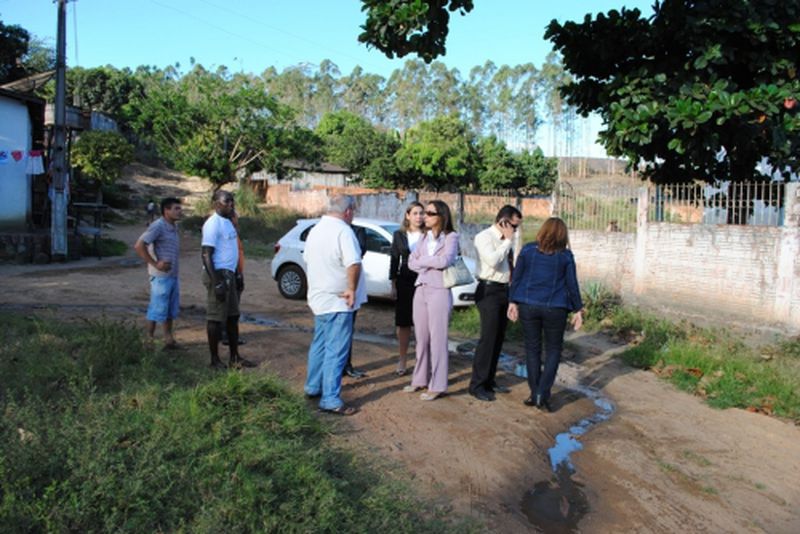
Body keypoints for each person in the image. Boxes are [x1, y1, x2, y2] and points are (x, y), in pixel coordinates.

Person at [507, 217, 584, 412]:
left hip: (528, 305)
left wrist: (512, 301)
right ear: (563, 235)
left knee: (532, 349)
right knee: (553, 351)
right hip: (555, 308)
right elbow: (572, 285)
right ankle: (542, 393)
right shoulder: (566, 256)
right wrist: (578, 309)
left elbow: (517, 277)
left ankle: (535, 394)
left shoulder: (527, 250)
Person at [303, 195, 363, 416]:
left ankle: (313, 386)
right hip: (338, 300)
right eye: (353, 211)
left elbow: (308, 260)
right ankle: (330, 398)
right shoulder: (343, 231)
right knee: (336, 350)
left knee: (320, 344)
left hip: (320, 298)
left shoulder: (316, 230)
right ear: (347, 211)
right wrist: (351, 289)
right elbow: (353, 263)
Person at [404, 200, 459, 401]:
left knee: (438, 340)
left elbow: (445, 260)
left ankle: (438, 385)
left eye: (429, 213)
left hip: (439, 290)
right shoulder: (424, 237)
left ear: (441, 217)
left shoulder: (451, 237)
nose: (424, 216)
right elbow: (411, 262)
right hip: (421, 289)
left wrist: (423, 262)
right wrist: (427, 263)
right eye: (424, 212)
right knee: (421, 339)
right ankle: (419, 380)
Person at [468, 205, 523, 402]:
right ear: (503, 222)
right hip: (488, 290)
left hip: (504, 291)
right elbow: (492, 261)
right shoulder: (484, 237)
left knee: (499, 338)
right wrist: (508, 240)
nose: (515, 231)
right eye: (513, 226)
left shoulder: (506, 241)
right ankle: (477, 385)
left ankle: (489, 380)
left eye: (516, 228)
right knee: (488, 339)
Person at [201, 191, 255, 370]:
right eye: (227, 202)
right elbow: (206, 254)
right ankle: (214, 359)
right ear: (217, 203)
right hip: (218, 274)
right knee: (215, 318)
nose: (231, 204)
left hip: (230, 273)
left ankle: (235, 357)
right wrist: (216, 281)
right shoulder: (212, 224)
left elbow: (232, 250)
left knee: (233, 316)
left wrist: (238, 274)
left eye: (232, 201)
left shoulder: (229, 223)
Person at [134, 197, 183, 348]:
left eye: (179, 208)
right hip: (160, 276)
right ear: (166, 210)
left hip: (172, 275)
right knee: (157, 307)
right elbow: (139, 246)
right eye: (176, 208)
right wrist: (155, 263)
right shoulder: (158, 226)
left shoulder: (173, 227)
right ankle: (148, 339)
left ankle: (168, 339)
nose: (180, 211)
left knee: (169, 308)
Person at [389, 201, 425, 376]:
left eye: (421, 213)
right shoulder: (399, 235)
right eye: (415, 213)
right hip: (404, 281)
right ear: (408, 215)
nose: (419, 216)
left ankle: (421, 360)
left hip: (425, 280)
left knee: (422, 323)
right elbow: (394, 259)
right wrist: (393, 284)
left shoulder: (429, 234)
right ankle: (402, 358)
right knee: (404, 322)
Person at [342, 224, 368, 379]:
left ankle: (346, 365)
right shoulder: (325, 230)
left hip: (350, 287)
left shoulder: (357, 230)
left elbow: (359, 252)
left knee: (347, 328)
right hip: (331, 288)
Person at [221, 208, 246, 346]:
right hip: (232, 272)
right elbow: (232, 256)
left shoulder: (234, 234)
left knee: (232, 306)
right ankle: (226, 335)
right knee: (230, 307)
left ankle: (227, 334)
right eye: (236, 217)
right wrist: (237, 274)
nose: (238, 219)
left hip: (236, 272)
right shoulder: (229, 235)